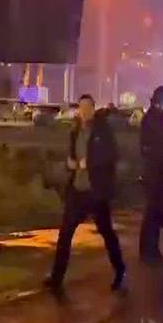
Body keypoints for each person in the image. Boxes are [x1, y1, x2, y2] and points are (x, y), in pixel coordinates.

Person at [45, 94, 126, 294]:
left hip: (96, 191)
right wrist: (69, 164)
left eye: (88, 107)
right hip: (78, 190)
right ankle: (56, 278)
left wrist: (89, 163)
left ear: (93, 108)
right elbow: (72, 156)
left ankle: (120, 269)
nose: (85, 111)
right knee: (65, 235)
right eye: (81, 107)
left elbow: (112, 155)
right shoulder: (75, 131)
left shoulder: (102, 130)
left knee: (107, 233)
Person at [139, 86, 163, 265]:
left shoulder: (155, 118)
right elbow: (162, 149)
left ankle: (149, 251)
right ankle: (150, 252)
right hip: (156, 173)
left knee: (152, 213)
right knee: (153, 214)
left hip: (155, 172)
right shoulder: (155, 120)